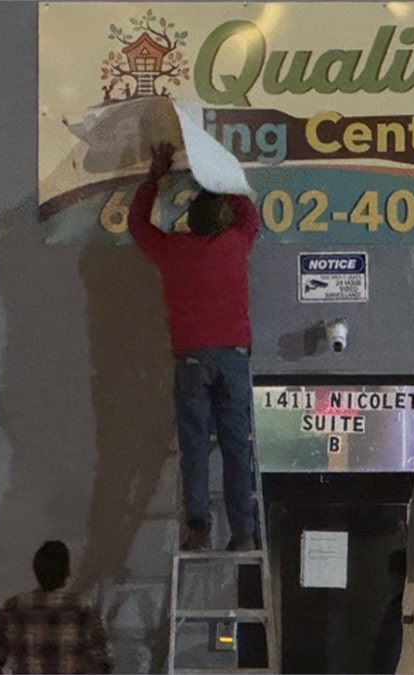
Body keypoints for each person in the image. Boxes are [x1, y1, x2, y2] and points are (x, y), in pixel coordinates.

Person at [129, 141, 260, 551]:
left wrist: (154, 177)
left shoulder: (172, 250)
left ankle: (199, 528)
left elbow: (137, 225)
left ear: (190, 222)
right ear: (221, 223)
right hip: (233, 356)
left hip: (190, 358)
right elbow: (249, 213)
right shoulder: (235, 244)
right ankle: (242, 532)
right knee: (237, 446)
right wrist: (217, 173)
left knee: (194, 447)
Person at [0, 541, 111, 674]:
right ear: (67, 573)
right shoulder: (82, 609)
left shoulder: (14, 608)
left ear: (36, 570)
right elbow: (102, 664)